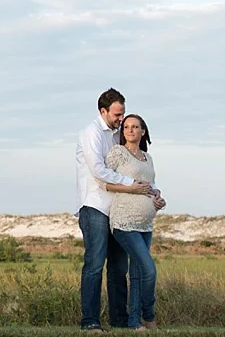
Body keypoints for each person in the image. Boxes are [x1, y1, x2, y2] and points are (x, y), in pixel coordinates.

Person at [74, 88, 164, 331]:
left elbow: (137, 168)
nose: (121, 119)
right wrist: (132, 185)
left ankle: (120, 320)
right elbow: (99, 171)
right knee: (95, 264)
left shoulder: (117, 135)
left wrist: (153, 193)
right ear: (103, 111)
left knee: (119, 268)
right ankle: (90, 321)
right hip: (94, 206)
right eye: (117, 115)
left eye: (122, 114)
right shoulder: (91, 133)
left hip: (116, 210)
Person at [106, 114, 159, 330]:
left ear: (143, 131)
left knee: (137, 275)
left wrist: (157, 197)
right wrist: (131, 189)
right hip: (124, 221)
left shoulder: (148, 157)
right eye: (126, 126)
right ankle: (149, 316)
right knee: (149, 270)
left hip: (146, 224)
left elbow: (151, 185)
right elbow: (105, 182)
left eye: (135, 127)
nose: (130, 130)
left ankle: (134, 322)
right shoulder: (117, 153)